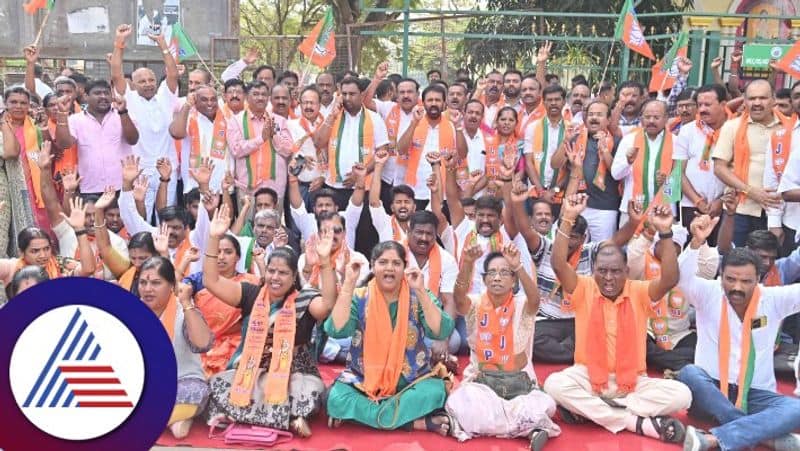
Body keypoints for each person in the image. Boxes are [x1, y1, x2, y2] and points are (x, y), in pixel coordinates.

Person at [544, 193, 691, 444]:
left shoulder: (639, 290)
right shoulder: (584, 288)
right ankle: (634, 421)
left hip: (633, 382)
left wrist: (665, 233)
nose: (608, 278)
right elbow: (559, 265)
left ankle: (596, 412)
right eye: (602, 271)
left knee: (683, 394)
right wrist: (567, 218)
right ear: (593, 271)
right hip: (588, 376)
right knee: (553, 385)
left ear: (626, 271)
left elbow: (669, 279)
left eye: (615, 272)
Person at [203, 205, 333, 437]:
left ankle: (245, 415)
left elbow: (327, 305)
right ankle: (288, 419)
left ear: (293, 277)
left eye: (283, 273)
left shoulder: (304, 299)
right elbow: (211, 281)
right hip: (252, 368)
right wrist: (214, 238)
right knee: (217, 386)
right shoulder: (251, 294)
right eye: (272, 271)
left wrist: (324, 263)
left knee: (309, 392)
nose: (275, 277)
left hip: (293, 372)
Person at [677, 215, 800, 451]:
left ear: (758, 279)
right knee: (689, 374)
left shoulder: (773, 299)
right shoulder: (709, 292)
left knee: (797, 410)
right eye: (730, 279)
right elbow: (680, 279)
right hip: (711, 392)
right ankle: (762, 435)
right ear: (721, 276)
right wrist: (695, 242)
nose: (737, 287)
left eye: (746, 281)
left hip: (756, 395)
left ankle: (716, 438)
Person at [324, 241, 455, 434]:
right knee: (335, 399)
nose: (389, 269)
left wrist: (420, 291)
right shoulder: (359, 296)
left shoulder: (418, 294)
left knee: (436, 392)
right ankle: (413, 423)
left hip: (410, 380)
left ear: (405, 267)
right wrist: (348, 285)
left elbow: (441, 331)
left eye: (396, 263)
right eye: (383, 262)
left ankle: (362, 416)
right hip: (364, 380)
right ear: (372, 265)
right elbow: (336, 329)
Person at [446, 242, 561, 449]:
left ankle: (500, 423)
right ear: (484, 279)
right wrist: (468, 263)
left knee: (547, 404)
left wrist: (519, 266)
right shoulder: (475, 304)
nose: (497, 277)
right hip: (482, 385)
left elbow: (535, 299)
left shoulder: (522, 304)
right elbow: (458, 298)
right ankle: (525, 428)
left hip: (520, 387)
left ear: (513, 280)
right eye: (492, 273)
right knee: (460, 400)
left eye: (504, 273)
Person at [138, 256, 214, 439]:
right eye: (143, 282)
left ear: (172, 286)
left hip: (182, 383)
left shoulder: (184, 311)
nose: (148, 289)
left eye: (156, 283)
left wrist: (187, 303)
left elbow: (203, 344)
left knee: (192, 393)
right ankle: (171, 420)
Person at [111, 24, 181, 221]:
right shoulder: (130, 99)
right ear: (134, 84)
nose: (148, 83)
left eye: (151, 79)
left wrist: (163, 45)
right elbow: (116, 73)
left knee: (165, 218)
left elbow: (173, 73)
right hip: (140, 171)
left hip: (166, 169)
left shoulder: (165, 97)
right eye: (142, 81)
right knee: (140, 219)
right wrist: (119, 42)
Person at [712, 79, 784, 247]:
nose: (757, 103)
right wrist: (750, 191)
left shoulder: (788, 128)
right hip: (739, 209)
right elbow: (719, 167)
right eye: (752, 99)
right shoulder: (732, 127)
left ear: (773, 100)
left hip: (776, 211)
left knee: (770, 264)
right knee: (734, 259)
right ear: (744, 101)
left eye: (763, 98)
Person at [182, 233, 260, 376]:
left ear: (237, 257)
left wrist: (261, 263)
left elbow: (271, 300)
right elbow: (173, 290)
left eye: (228, 252)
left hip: (237, 348)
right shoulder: (198, 281)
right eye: (217, 252)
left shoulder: (250, 282)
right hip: (203, 346)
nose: (221, 257)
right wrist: (185, 261)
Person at [55, 80, 139, 195]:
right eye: (97, 93)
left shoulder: (123, 116)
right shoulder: (75, 120)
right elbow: (64, 144)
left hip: (122, 186)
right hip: (90, 188)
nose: (103, 96)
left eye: (106, 93)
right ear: (86, 96)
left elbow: (133, 140)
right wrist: (62, 114)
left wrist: (123, 112)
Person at [675, 84, 728, 245]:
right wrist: (698, 201)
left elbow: (740, 171)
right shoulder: (688, 131)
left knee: (719, 255)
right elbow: (678, 171)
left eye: (708, 105)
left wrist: (722, 201)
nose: (702, 109)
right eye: (700, 105)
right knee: (692, 251)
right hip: (691, 205)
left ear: (723, 105)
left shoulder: (733, 129)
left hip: (725, 207)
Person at [227, 80, 293, 200]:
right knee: (246, 219)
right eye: (256, 94)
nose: (260, 98)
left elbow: (288, 150)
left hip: (275, 187)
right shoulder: (235, 121)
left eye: (263, 94)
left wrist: (274, 136)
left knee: (272, 219)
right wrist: (261, 139)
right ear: (247, 97)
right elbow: (236, 150)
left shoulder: (279, 121)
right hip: (247, 188)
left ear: (268, 98)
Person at [612, 99, 674, 226]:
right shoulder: (629, 140)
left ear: (666, 118)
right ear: (641, 118)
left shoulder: (676, 142)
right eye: (647, 117)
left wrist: (668, 182)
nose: (651, 121)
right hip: (632, 210)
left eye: (656, 117)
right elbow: (615, 174)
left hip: (664, 212)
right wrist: (627, 162)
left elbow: (681, 179)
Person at [0, 226, 94, 287]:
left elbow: (88, 269)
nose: (43, 255)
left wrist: (80, 231)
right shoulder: (12, 267)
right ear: (21, 252)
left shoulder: (60, 264)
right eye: (35, 251)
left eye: (46, 249)